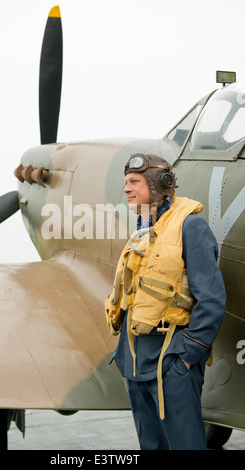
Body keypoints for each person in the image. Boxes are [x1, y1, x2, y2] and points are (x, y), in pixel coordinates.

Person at [105, 153, 226, 450]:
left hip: (170, 361)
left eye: (134, 182)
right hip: (135, 361)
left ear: (160, 184)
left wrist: (186, 357)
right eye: (126, 182)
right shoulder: (142, 232)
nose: (127, 189)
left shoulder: (190, 227)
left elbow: (211, 299)